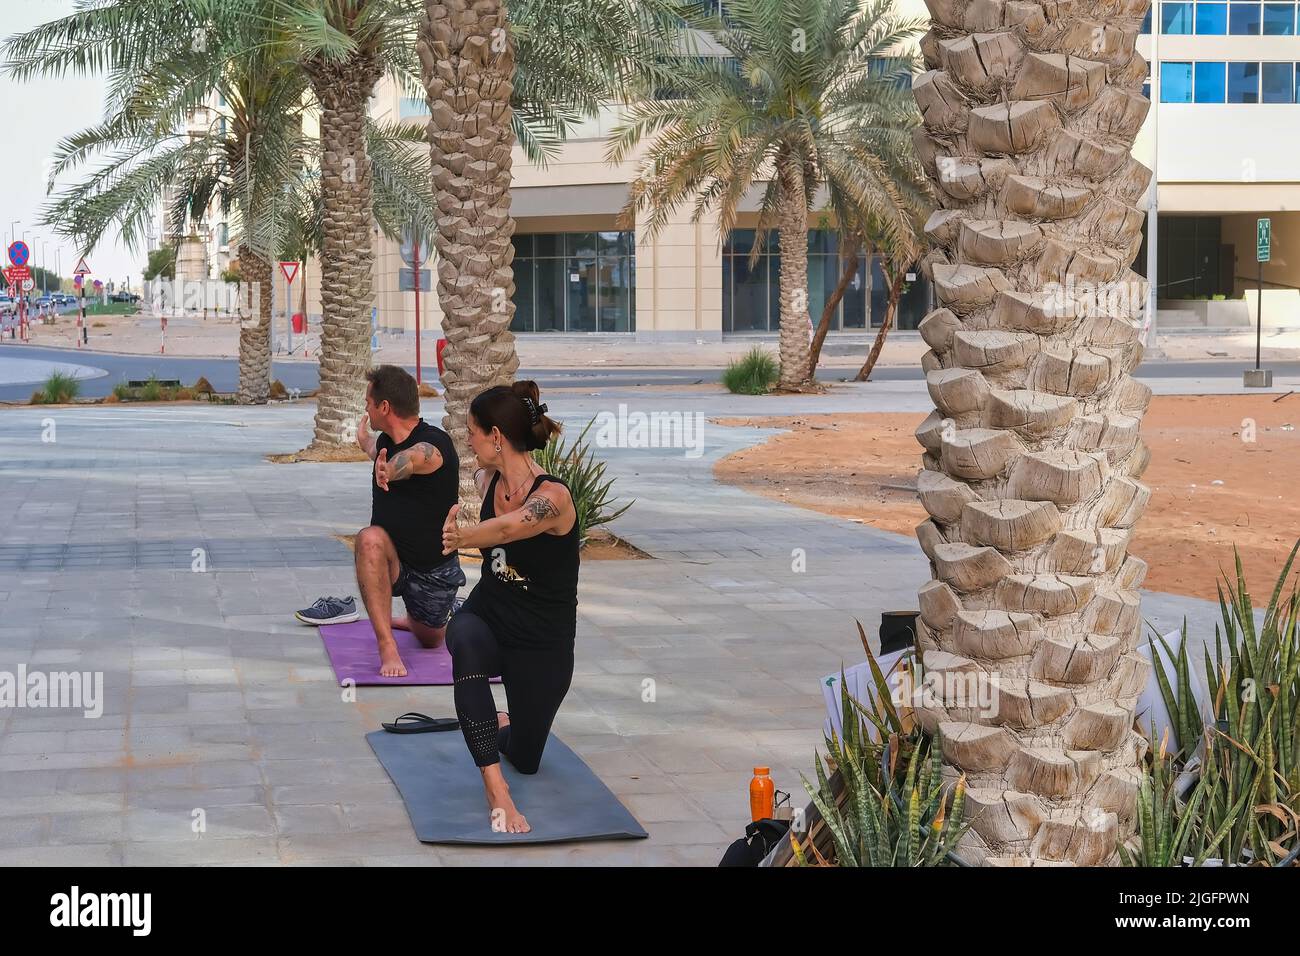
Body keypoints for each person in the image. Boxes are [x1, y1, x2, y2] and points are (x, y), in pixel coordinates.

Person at [441, 381, 579, 834]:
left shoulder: (553, 499)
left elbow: (507, 531)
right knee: (464, 638)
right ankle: (495, 788)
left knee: (526, 756)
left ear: (496, 436)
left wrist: (462, 538)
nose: (468, 440)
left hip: (542, 641)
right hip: (490, 615)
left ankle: (503, 724)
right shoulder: (486, 479)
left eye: (473, 432)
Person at [352, 364, 465, 677]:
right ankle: (387, 645)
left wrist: (390, 470)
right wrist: (366, 444)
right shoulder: (385, 442)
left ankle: (416, 620)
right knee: (369, 539)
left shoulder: (434, 443)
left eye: (368, 403)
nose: (365, 409)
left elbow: (415, 458)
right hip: (395, 565)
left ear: (384, 407)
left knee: (429, 638)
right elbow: (378, 449)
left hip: (433, 573)